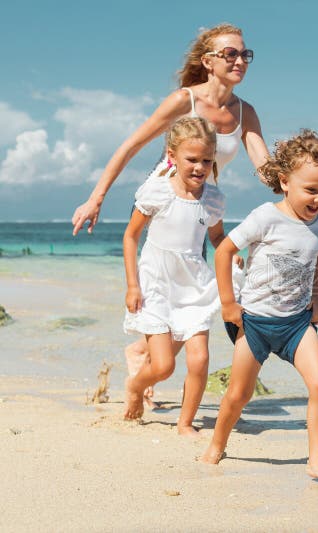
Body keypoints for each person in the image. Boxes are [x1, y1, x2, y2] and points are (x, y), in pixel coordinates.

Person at [70, 23, 269, 405]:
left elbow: (264, 168)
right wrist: (96, 198)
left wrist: (302, 183)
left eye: (245, 54)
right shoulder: (184, 100)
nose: (240, 60)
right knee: (166, 288)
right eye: (231, 53)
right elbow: (131, 145)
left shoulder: (245, 112)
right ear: (208, 61)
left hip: (200, 205)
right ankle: (149, 360)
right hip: (162, 199)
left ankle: (142, 356)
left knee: (190, 297)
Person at [199, 130, 318, 488]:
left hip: (297, 323)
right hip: (255, 324)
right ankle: (217, 444)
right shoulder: (266, 217)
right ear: (285, 181)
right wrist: (228, 304)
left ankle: (316, 459)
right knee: (239, 395)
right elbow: (224, 251)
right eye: (312, 190)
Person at [122, 116, 224, 434]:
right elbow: (130, 237)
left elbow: (218, 238)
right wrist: (132, 285)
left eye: (207, 160)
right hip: (156, 284)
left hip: (194, 285)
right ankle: (136, 388)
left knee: (199, 359)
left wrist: (232, 258)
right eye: (192, 159)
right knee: (163, 367)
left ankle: (185, 422)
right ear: (173, 154)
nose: (199, 167)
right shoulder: (157, 193)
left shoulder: (213, 200)